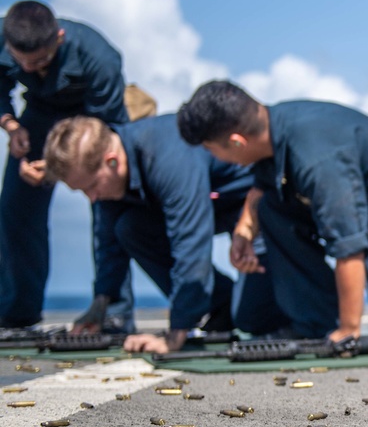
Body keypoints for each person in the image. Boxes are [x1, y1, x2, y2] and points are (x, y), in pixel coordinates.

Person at [175, 80, 368, 347]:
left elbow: (349, 246)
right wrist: (244, 231)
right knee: (271, 208)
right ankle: (314, 323)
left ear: (236, 141)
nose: (217, 159)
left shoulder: (316, 159)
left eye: (213, 151)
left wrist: (348, 330)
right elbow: (261, 188)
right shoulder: (272, 129)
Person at [43, 114, 289, 354]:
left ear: (112, 161)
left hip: (259, 207)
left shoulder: (166, 157)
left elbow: (190, 242)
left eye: (91, 187)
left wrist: (176, 333)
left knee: (253, 318)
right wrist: (101, 303)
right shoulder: (111, 178)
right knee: (128, 227)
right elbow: (108, 241)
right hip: (213, 207)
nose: (92, 198)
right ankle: (221, 305)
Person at [1, 0, 133, 330]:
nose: (32, 69)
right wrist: (11, 125)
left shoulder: (99, 58)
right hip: (38, 117)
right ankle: (17, 313)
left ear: (59, 36)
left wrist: (61, 166)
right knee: (15, 208)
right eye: (23, 63)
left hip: (93, 122)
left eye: (42, 60)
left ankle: (114, 309)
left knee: (108, 203)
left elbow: (106, 132)